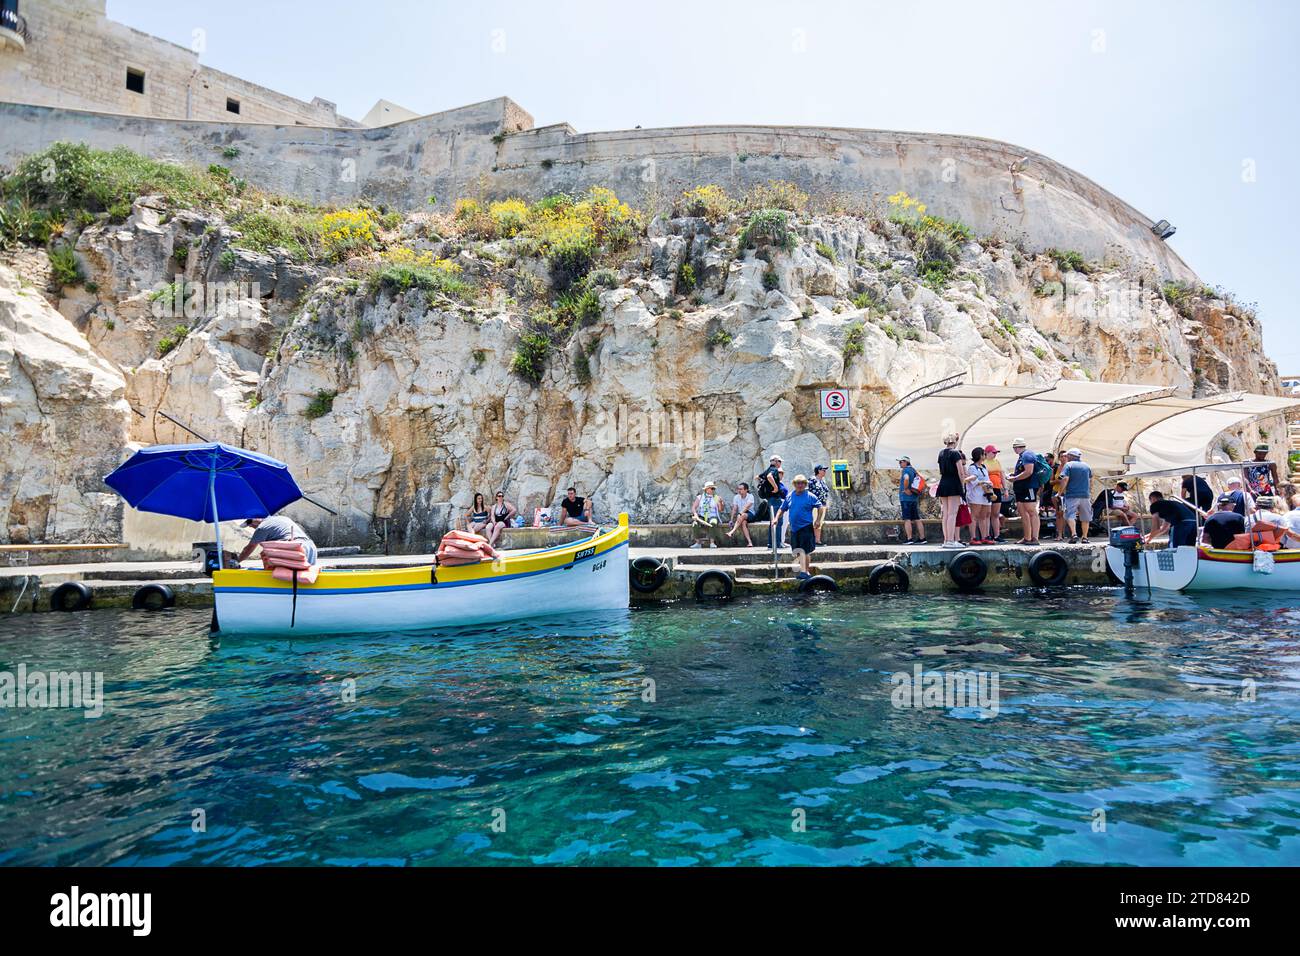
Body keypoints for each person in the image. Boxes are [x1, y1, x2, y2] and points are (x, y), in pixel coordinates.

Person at [777, 474, 822, 579]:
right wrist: (776, 518)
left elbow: (820, 507)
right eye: (798, 483)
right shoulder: (790, 496)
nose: (800, 485)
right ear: (794, 484)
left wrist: (818, 520)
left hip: (806, 527)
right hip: (794, 528)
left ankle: (804, 572)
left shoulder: (810, 496)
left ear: (805, 484)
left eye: (802, 483)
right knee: (797, 551)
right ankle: (804, 571)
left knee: (805, 550)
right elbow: (782, 508)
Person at [237, 513, 318, 566]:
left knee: (291, 579)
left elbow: (249, 549)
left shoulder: (262, 527)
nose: (250, 527)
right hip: (310, 546)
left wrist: (236, 562)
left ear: (254, 519)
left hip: (295, 547)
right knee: (306, 578)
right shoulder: (282, 518)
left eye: (249, 523)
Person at [1009, 438, 1042, 546]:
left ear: (1016, 447)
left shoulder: (1027, 455)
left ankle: (1035, 537)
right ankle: (1027, 537)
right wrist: (1014, 476)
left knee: (1031, 511)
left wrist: (1015, 478)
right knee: (1023, 512)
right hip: (1021, 488)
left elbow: (1029, 471)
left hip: (1029, 487)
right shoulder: (1022, 456)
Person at [937, 433, 966, 549]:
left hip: (943, 482)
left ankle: (946, 540)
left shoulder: (941, 453)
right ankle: (950, 540)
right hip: (953, 483)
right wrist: (962, 485)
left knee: (946, 513)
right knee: (952, 513)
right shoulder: (955, 453)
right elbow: (960, 472)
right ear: (955, 442)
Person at [1058, 448, 1094, 544]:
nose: (1066, 457)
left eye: (1067, 455)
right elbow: (1091, 480)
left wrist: (1059, 492)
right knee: (1086, 517)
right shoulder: (1087, 466)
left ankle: (1074, 534)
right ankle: (1085, 537)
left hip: (1072, 495)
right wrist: (1089, 492)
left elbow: (1065, 479)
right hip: (1085, 495)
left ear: (1071, 456)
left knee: (1070, 514)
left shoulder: (1068, 465)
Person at [963, 446, 995, 545]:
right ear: (980, 455)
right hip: (976, 495)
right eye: (983, 454)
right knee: (974, 515)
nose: (985, 456)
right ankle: (973, 537)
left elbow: (987, 479)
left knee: (984, 515)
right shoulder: (972, 467)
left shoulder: (984, 467)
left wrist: (989, 484)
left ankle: (985, 536)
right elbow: (973, 481)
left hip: (986, 494)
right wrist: (983, 482)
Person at [756, 455, 786, 549]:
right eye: (780, 461)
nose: (780, 464)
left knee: (772, 521)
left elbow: (757, 477)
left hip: (770, 499)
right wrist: (775, 487)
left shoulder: (768, 469)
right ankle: (777, 543)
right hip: (775, 498)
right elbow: (769, 477)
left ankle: (771, 543)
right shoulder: (773, 470)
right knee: (778, 521)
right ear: (776, 461)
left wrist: (765, 486)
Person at [898, 455, 926, 544]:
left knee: (907, 519)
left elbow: (906, 478)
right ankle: (922, 538)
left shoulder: (905, 470)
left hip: (906, 498)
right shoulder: (913, 470)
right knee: (916, 518)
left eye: (901, 462)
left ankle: (909, 539)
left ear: (906, 462)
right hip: (914, 498)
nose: (899, 464)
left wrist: (906, 489)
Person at [691, 481, 724, 548]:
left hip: (712, 516)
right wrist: (695, 515)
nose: (713, 490)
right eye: (711, 488)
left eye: (713, 489)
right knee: (695, 524)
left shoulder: (716, 497)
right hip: (702, 516)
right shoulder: (700, 497)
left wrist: (721, 503)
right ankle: (698, 543)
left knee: (713, 523)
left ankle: (712, 543)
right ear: (706, 489)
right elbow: (693, 507)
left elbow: (720, 510)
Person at [984, 445, 1006, 542]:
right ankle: (987, 535)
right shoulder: (983, 462)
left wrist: (1005, 489)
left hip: (997, 488)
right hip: (988, 489)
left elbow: (1002, 475)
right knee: (987, 513)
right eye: (993, 452)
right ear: (987, 453)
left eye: (996, 452)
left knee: (996, 513)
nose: (995, 454)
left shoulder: (997, 462)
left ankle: (997, 535)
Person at [727, 482, 758, 546]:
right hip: (742, 516)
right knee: (743, 523)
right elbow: (734, 509)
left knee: (743, 515)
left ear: (746, 490)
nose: (739, 490)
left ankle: (732, 531)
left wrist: (740, 514)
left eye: (741, 489)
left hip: (750, 514)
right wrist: (731, 520)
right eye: (738, 489)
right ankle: (749, 542)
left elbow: (747, 507)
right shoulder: (736, 497)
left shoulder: (750, 496)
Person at [809, 464, 831, 544]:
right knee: (815, 521)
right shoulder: (813, 480)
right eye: (823, 470)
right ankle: (812, 540)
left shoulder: (822, 481)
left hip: (822, 505)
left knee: (819, 522)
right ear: (818, 471)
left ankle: (817, 540)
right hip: (814, 505)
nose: (825, 472)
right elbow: (808, 491)